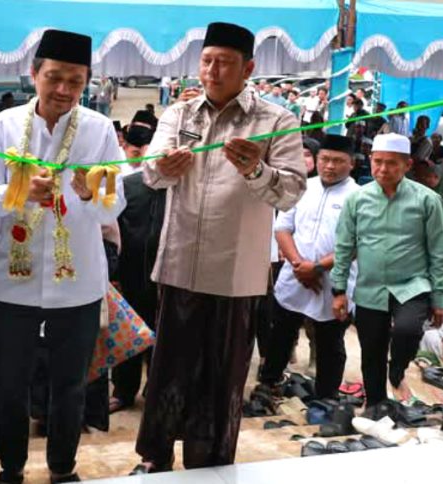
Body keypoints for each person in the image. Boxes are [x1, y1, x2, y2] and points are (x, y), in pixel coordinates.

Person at [131, 22, 306, 474]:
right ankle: (155, 458)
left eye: (225, 63)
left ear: (248, 68)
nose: (212, 70)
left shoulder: (276, 120)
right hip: (180, 263)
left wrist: (256, 170)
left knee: (221, 378)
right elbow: (150, 174)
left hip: (235, 274)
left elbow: (291, 191)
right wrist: (165, 168)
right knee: (169, 369)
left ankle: (210, 465)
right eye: (207, 61)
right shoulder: (180, 115)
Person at [0, 29, 125, 484]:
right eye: (54, 77)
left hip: (77, 281)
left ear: (87, 83)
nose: (63, 89)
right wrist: (20, 193)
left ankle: (62, 469)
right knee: (10, 384)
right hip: (10, 281)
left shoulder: (99, 130)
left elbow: (113, 206)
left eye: (75, 81)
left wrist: (90, 191)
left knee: (70, 385)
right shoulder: (4, 125)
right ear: (34, 73)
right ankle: (11, 468)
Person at [332, 133, 443, 405]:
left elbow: (439, 252)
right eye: (378, 162)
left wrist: (439, 299)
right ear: (370, 160)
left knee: (407, 331)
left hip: (413, 284)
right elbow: (344, 247)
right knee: (371, 350)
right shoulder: (357, 199)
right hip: (370, 287)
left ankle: (397, 368)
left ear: (407, 165)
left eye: (392, 163)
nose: (383, 169)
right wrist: (338, 290)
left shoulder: (427, 200)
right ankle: (376, 405)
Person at [256, 135, 359, 401]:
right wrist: (299, 266)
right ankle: (269, 383)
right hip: (295, 274)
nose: (330, 166)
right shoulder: (303, 187)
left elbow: (358, 243)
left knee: (330, 341)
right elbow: (282, 228)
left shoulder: (360, 197)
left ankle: (326, 398)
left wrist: (317, 268)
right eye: (325, 159)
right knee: (281, 332)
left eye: (338, 161)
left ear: (352, 163)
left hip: (334, 281)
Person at [109, 124, 165, 413]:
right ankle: (123, 391)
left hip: (167, 278)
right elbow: (113, 230)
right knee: (128, 335)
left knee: (164, 337)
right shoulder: (127, 186)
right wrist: (114, 275)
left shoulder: (179, 189)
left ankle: (156, 390)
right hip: (130, 275)